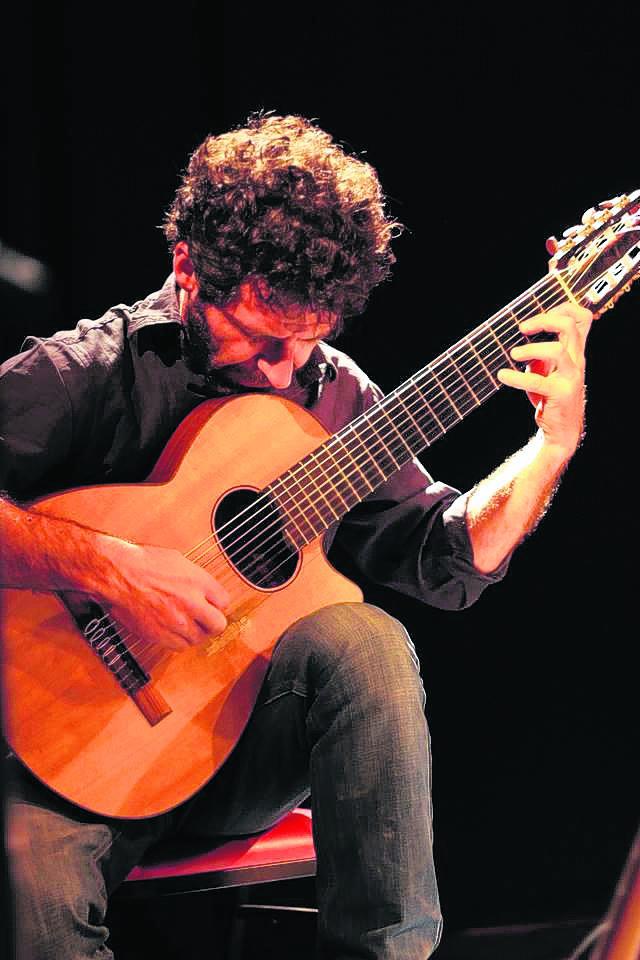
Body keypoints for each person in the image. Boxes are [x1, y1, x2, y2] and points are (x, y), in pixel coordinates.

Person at [0, 113, 591, 960]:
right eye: (259, 336)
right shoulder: (89, 370)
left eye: (309, 340)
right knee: (31, 889)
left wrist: (549, 448)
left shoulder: (332, 392)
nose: (284, 369)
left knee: (366, 640)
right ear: (187, 268)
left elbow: (449, 560)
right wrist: (112, 566)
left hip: (234, 755)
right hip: (62, 755)